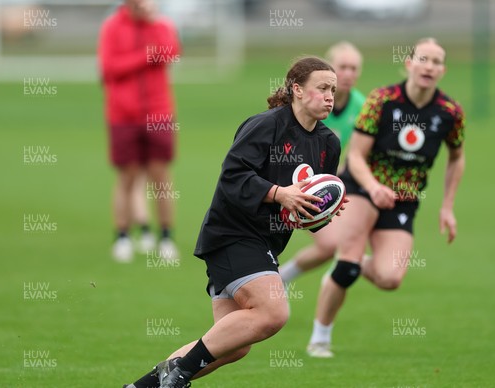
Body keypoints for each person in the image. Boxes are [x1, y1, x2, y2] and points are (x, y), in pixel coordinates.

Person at [124, 56, 342, 388]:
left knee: (232, 346)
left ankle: (143, 387)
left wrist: (321, 211)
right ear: (297, 90)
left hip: (265, 242)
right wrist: (279, 193)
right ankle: (180, 375)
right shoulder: (267, 125)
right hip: (231, 234)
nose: (330, 96)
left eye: (333, 90)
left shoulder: (328, 143)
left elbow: (303, 215)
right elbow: (233, 176)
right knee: (274, 312)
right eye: (322, 88)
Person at [306, 38, 466, 358]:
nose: (430, 66)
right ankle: (320, 338)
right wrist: (374, 186)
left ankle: (353, 261)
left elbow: (456, 157)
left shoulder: (450, 112)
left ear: (442, 71)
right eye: (424, 59)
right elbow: (355, 156)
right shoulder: (382, 100)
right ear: (409, 64)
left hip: (404, 199)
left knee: (390, 278)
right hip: (361, 187)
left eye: (437, 62)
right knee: (347, 268)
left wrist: (447, 206)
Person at [98, 0, 180, 263]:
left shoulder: (160, 24)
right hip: (123, 114)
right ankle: (122, 236)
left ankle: (166, 236)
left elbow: (170, 52)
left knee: (161, 177)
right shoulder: (112, 27)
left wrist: (154, 24)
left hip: (159, 112)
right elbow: (110, 68)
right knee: (128, 177)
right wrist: (145, 56)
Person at [280, 41, 365, 283]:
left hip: (325, 181)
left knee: (332, 245)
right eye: (343, 67)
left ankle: (281, 277)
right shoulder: (306, 102)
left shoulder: (362, 107)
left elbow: (360, 151)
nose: (348, 74)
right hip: (289, 179)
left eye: (354, 68)